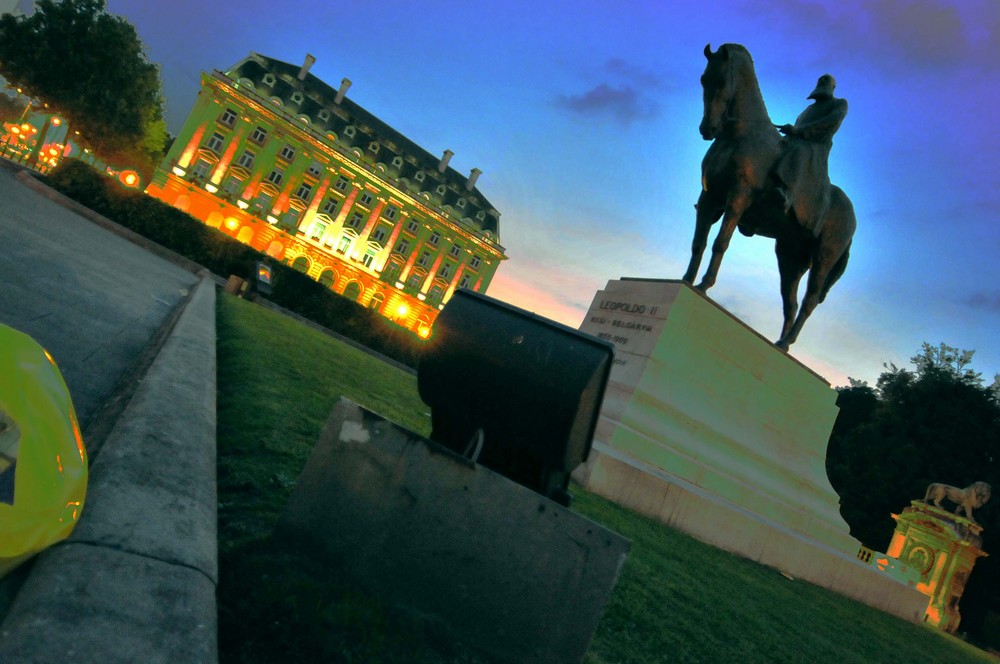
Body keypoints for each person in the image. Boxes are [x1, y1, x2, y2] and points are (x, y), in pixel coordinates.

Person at [773, 74, 848, 237]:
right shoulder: (806, 111)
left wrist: (798, 131)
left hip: (816, 148)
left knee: (798, 151)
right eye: (820, 80)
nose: (821, 82)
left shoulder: (839, 104)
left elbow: (830, 123)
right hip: (794, 141)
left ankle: (785, 193)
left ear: (833, 87)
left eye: (825, 81)